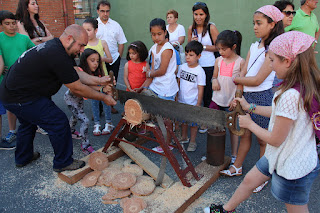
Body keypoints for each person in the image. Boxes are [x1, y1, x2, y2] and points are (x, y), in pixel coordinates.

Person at [205, 31, 320, 213]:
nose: (271, 67)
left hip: (292, 165)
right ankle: (225, 210)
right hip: (279, 155)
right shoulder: (295, 86)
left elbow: (274, 139)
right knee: (250, 181)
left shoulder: (291, 95)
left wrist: (250, 124)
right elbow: (278, 113)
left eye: (272, 60)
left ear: (287, 62)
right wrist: (249, 106)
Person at [0, 24, 116, 172]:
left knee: (28, 123)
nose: (82, 51)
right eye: (81, 46)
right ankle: (63, 162)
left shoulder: (59, 48)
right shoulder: (56, 53)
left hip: (17, 92)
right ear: (69, 39)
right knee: (59, 122)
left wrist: (100, 81)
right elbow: (76, 87)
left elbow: (74, 73)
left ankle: (23, 157)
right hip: (19, 96)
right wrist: (104, 97)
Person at [220, 5, 284, 193]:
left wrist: (236, 79)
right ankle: (237, 167)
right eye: (253, 23)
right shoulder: (253, 46)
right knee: (245, 134)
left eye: (259, 23)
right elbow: (244, 72)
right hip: (247, 96)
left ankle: (262, 175)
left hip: (263, 98)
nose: (255, 27)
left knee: (263, 140)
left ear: (272, 25)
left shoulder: (273, 49)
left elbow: (257, 80)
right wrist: (237, 96)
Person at [16, 0, 54, 136]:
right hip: (32, 62)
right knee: (36, 92)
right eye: (33, 3)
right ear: (25, 6)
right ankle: (39, 123)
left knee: (46, 90)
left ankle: (46, 120)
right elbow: (27, 42)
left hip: (45, 61)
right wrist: (42, 39)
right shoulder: (20, 23)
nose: (36, 5)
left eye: (36, 3)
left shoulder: (40, 23)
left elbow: (52, 37)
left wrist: (38, 39)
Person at [0, 10, 35, 149]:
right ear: (1, 25)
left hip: (23, 79)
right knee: (10, 107)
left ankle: (31, 127)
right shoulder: (0, 38)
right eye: (7, 24)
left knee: (28, 102)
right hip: (5, 80)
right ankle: (11, 131)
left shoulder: (23, 39)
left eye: (13, 23)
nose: (11, 26)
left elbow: (34, 53)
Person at [210, 30, 245, 164]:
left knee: (233, 129)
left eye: (224, 49)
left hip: (232, 102)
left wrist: (236, 99)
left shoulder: (241, 62)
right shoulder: (218, 60)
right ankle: (215, 151)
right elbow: (214, 75)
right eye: (219, 49)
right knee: (216, 127)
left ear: (234, 47)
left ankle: (234, 154)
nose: (221, 52)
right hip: (217, 99)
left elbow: (241, 84)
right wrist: (214, 80)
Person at [146, 18, 179, 153]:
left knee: (166, 119)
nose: (156, 37)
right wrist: (144, 85)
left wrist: (149, 74)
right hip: (156, 86)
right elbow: (153, 70)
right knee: (157, 115)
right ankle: (163, 140)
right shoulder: (154, 48)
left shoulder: (167, 49)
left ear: (165, 32)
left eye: (159, 34)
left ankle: (168, 144)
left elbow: (161, 71)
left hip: (167, 88)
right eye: (153, 34)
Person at [188, 2, 219, 133]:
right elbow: (189, 47)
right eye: (196, 14)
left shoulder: (211, 27)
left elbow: (219, 46)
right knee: (194, 92)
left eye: (201, 14)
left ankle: (206, 121)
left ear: (206, 15)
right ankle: (195, 118)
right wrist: (193, 43)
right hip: (195, 66)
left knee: (206, 94)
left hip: (208, 66)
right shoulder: (191, 28)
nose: (198, 17)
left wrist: (202, 46)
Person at [78, 48, 114, 137]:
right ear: (85, 61)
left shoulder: (97, 70)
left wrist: (108, 84)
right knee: (78, 117)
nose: (96, 63)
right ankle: (96, 124)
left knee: (104, 101)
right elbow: (86, 85)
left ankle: (107, 123)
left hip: (89, 94)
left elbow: (100, 82)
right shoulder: (80, 71)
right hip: (74, 98)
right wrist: (102, 89)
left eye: (97, 61)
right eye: (92, 61)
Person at [176, 40, 205, 152]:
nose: (188, 57)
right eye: (187, 54)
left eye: (191, 55)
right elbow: (178, 81)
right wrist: (177, 96)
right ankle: (184, 137)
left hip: (193, 101)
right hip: (182, 100)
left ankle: (193, 141)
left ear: (199, 56)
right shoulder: (182, 67)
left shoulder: (200, 71)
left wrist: (198, 103)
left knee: (193, 123)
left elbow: (200, 88)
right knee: (183, 120)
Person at [96, 0, 127, 86]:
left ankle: (112, 99)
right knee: (99, 84)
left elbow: (121, 42)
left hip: (114, 60)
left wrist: (118, 58)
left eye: (107, 11)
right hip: (99, 61)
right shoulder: (94, 25)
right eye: (102, 11)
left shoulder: (116, 25)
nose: (105, 13)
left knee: (113, 84)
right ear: (98, 11)